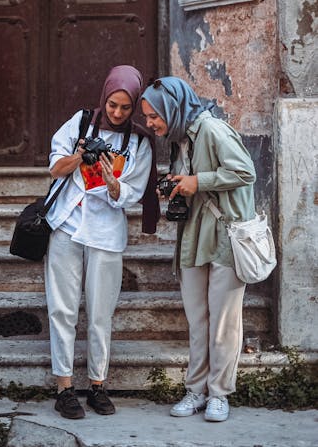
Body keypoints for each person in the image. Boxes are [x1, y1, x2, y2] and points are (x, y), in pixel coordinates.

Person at [141, 77, 256, 423]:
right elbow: (191, 182)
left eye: (153, 116)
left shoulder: (212, 130)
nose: (150, 124)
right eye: (147, 117)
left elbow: (244, 171)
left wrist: (197, 181)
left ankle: (220, 394)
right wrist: (176, 185)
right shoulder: (179, 140)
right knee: (198, 321)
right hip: (192, 239)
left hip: (223, 238)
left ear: (173, 109)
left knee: (223, 323)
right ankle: (195, 391)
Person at [45, 65, 156, 420]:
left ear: (135, 105)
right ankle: (63, 387)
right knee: (62, 308)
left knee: (100, 313)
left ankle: (97, 384)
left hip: (106, 233)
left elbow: (133, 192)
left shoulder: (138, 142)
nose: (118, 113)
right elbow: (55, 168)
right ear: (105, 97)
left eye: (125, 107)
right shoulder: (80, 123)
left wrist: (112, 183)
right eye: (113, 105)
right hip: (67, 225)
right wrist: (82, 155)